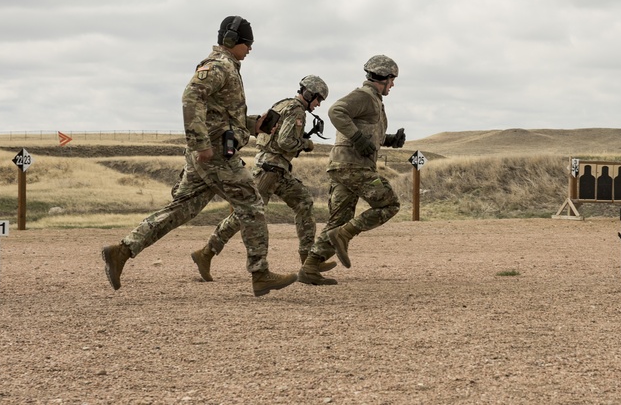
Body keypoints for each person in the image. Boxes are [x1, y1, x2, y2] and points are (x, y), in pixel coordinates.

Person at [100, 15, 297, 297]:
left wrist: (255, 124)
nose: (250, 49)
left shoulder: (228, 67)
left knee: (181, 210)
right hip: (214, 154)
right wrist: (199, 143)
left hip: (210, 153)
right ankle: (260, 273)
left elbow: (224, 116)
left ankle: (121, 251)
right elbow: (190, 98)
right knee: (252, 204)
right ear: (233, 41)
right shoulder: (219, 66)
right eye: (247, 43)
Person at [190, 75, 339, 285]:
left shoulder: (282, 104)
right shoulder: (296, 109)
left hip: (277, 169)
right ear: (308, 94)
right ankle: (207, 252)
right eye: (318, 99)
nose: (318, 104)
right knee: (246, 213)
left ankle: (309, 262)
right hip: (270, 170)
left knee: (304, 202)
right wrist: (305, 143)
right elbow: (286, 141)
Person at [305, 55, 406, 276]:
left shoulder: (373, 100)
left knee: (339, 220)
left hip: (344, 166)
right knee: (390, 204)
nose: (393, 84)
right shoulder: (365, 96)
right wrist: (358, 139)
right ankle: (345, 234)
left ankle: (310, 266)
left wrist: (389, 140)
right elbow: (336, 111)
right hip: (353, 167)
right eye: (392, 79)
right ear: (384, 77)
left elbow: (367, 133)